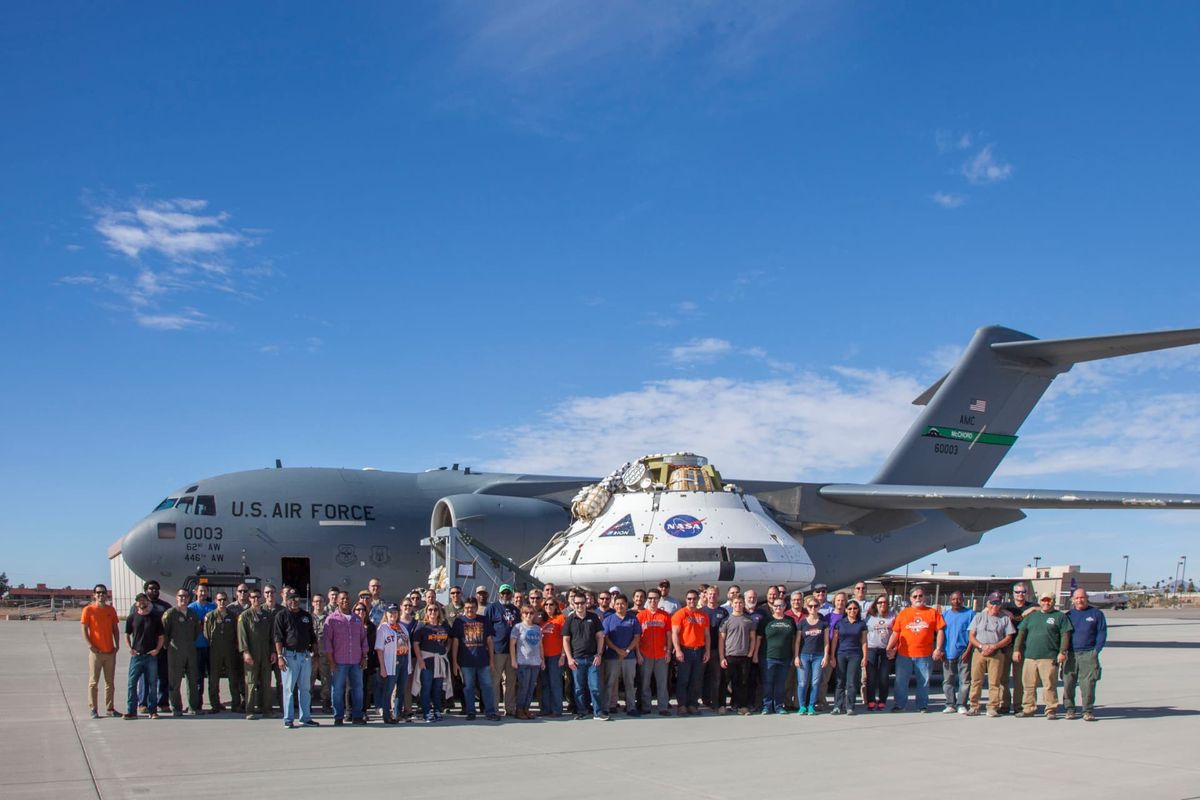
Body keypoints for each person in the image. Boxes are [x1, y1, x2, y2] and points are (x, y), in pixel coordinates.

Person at [1013, 590, 1072, 719]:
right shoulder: (1032, 616)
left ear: (1053, 601)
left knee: (1049, 685)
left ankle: (1050, 709)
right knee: (1028, 684)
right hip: (1030, 657)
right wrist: (1016, 649)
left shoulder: (1060, 617)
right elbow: (1021, 634)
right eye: (1044, 600)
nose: (1046, 603)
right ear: (1040, 602)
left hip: (1049, 657)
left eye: (1049, 600)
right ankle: (1029, 708)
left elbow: (1065, 635)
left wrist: (1062, 652)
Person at [886, 588, 945, 712]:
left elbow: (940, 631)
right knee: (900, 681)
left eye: (920, 595)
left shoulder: (932, 612)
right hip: (904, 654)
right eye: (915, 596)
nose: (918, 598)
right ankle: (900, 705)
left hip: (924, 655)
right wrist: (889, 648)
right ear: (910, 598)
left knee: (924, 682)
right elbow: (896, 633)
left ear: (925, 597)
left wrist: (938, 648)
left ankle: (922, 705)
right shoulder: (903, 613)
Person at [965, 592, 1016, 717]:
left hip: (996, 653)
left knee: (994, 682)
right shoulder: (979, 617)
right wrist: (982, 646)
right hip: (979, 651)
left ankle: (992, 707)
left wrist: (994, 646)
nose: (995, 606)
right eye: (993, 603)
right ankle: (974, 706)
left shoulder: (1004, 618)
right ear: (988, 603)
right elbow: (971, 635)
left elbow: (1009, 637)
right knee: (976, 680)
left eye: (997, 603)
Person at [273, 587, 318, 728]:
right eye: (291, 599)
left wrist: (315, 651)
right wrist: (280, 656)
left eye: (296, 599)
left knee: (305, 688)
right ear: (287, 600)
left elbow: (312, 635)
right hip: (289, 655)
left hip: (305, 655)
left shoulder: (306, 616)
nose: (294, 602)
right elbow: (278, 637)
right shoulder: (281, 615)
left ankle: (305, 718)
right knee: (288, 689)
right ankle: (288, 719)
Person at [323, 590, 368, 725]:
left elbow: (363, 640)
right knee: (337, 689)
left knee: (358, 689)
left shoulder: (356, 619)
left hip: (356, 661)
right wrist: (331, 662)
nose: (344, 601)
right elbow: (327, 642)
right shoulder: (331, 619)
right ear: (337, 601)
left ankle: (357, 716)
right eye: (342, 599)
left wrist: (364, 657)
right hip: (339, 661)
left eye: (347, 598)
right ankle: (338, 717)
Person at [451, 597, 498, 721]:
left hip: (483, 661)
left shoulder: (484, 620)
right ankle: (470, 711)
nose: (469, 610)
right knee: (468, 687)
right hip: (466, 662)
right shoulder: (458, 622)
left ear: (476, 608)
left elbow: (489, 641)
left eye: (472, 607)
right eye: (467, 608)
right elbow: (455, 643)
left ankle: (490, 711)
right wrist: (455, 662)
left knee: (487, 686)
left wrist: (492, 660)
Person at [1063, 588, 1107, 722]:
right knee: (1068, 682)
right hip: (1070, 654)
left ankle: (1087, 711)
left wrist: (1096, 650)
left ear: (1087, 598)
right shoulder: (1068, 615)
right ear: (1072, 600)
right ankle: (1070, 709)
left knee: (1088, 684)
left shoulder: (1096, 614)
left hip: (1088, 653)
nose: (1079, 600)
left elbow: (1102, 633)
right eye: (1077, 598)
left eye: (1082, 597)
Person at [562, 593, 606, 720]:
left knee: (595, 687)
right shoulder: (570, 619)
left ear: (586, 603)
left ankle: (598, 713)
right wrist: (569, 658)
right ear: (573, 604)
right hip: (577, 659)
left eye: (582, 602)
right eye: (577, 603)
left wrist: (599, 654)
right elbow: (565, 640)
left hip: (593, 659)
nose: (580, 605)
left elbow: (600, 637)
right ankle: (581, 711)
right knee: (578, 688)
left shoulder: (594, 617)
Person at [161, 588, 202, 716]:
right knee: (175, 680)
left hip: (190, 650)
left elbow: (196, 631)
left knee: (193, 680)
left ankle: (193, 707)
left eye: (185, 596)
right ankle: (176, 707)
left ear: (189, 598)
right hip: (175, 650)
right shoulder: (170, 613)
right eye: (180, 596)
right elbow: (164, 633)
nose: (183, 598)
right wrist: (168, 646)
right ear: (176, 597)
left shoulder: (192, 614)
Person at [82, 583, 121, 719]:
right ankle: (93, 709)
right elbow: (84, 630)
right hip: (96, 653)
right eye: (98, 593)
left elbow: (115, 629)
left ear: (106, 594)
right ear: (94, 595)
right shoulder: (88, 610)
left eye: (103, 593)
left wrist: (117, 645)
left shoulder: (111, 610)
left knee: (110, 682)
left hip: (110, 652)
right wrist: (90, 645)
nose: (100, 595)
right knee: (93, 682)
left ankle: (110, 708)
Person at [131, 579, 170, 713]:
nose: (154, 591)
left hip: (160, 647)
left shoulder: (165, 606)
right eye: (151, 589)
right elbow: (132, 626)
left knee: (162, 675)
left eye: (156, 589)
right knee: (144, 677)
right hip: (144, 648)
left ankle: (163, 702)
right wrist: (133, 646)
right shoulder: (137, 606)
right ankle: (143, 703)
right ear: (145, 590)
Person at [123, 593, 164, 719]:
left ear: (148, 602)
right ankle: (131, 711)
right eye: (139, 601)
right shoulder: (132, 618)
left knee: (152, 684)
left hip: (150, 656)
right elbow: (126, 635)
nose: (142, 602)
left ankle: (153, 711)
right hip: (137, 656)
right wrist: (130, 649)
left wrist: (157, 649)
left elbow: (161, 637)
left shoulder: (155, 618)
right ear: (136, 604)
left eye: (144, 600)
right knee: (132, 684)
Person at [1001, 581, 1039, 714]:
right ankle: (1004, 705)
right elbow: (989, 607)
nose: (1020, 594)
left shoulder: (1032, 606)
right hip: (1006, 646)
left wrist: (1033, 609)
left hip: (1022, 648)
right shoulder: (1007, 606)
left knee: (1019, 680)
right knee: (1003, 679)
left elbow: (1047, 608)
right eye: (1017, 592)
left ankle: (1018, 705)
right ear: (1013, 593)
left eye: (1023, 592)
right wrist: (1004, 611)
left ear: (1027, 593)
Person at [238, 588, 275, 720]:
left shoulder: (267, 615)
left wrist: (273, 652)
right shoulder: (245, 615)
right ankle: (249, 710)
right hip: (252, 654)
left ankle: (267, 709)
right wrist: (246, 652)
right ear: (249, 598)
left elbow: (272, 636)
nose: (256, 599)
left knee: (266, 682)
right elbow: (242, 636)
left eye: (258, 597)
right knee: (251, 682)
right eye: (253, 597)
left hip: (265, 653)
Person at [203, 591, 242, 714]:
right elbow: (206, 634)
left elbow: (237, 633)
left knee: (233, 678)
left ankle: (236, 704)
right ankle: (215, 705)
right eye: (219, 600)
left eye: (224, 599)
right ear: (215, 601)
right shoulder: (210, 616)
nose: (222, 602)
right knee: (214, 679)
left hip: (230, 650)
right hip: (215, 651)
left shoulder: (232, 615)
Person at [672, 590, 710, 716]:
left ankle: (693, 704)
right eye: (689, 599)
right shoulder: (680, 614)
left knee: (696, 680)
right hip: (685, 651)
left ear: (697, 599)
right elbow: (675, 634)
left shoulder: (703, 615)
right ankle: (682, 705)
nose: (691, 601)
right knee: (683, 679)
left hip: (699, 651)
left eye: (694, 598)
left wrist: (707, 651)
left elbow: (707, 635)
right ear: (686, 599)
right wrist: (678, 650)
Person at [602, 594, 641, 715]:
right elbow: (606, 637)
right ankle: (607, 707)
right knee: (610, 683)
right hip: (612, 656)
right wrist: (618, 650)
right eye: (617, 603)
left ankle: (631, 707)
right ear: (614, 605)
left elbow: (637, 637)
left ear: (626, 604)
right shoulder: (608, 619)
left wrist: (627, 651)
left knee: (629, 683)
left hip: (629, 657)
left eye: (622, 603)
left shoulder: (633, 619)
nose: (620, 606)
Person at [719, 596, 758, 715]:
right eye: (736, 603)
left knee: (742, 682)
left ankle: (741, 706)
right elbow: (721, 640)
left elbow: (753, 638)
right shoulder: (726, 620)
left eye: (740, 603)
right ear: (732, 604)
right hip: (729, 655)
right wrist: (722, 657)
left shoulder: (749, 620)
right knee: (725, 682)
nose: (738, 605)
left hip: (744, 656)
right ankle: (721, 705)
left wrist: (751, 652)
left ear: (744, 604)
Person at [637, 588, 673, 716]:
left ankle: (663, 707)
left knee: (662, 683)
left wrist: (669, 651)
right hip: (645, 655)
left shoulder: (665, 616)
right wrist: (638, 653)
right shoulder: (640, 616)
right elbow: (636, 637)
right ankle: (646, 706)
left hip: (661, 655)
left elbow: (669, 635)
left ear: (659, 599)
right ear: (648, 600)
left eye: (655, 598)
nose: (653, 601)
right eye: (650, 598)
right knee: (645, 683)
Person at [486, 584, 520, 717]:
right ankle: (494, 708)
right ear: (499, 594)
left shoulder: (515, 610)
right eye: (503, 593)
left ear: (511, 594)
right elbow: (487, 630)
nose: (506, 595)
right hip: (497, 650)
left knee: (511, 681)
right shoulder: (492, 608)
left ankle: (510, 708)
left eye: (508, 593)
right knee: (495, 681)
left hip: (512, 651)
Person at [413, 605, 452, 722]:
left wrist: (446, 651)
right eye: (430, 610)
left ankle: (437, 710)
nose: (433, 612)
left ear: (439, 612)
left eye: (435, 610)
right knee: (426, 687)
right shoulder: (421, 626)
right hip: (427, 661)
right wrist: (420, 660)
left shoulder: (444, 626)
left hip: (439, 661)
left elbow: (449, 639)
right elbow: (415, 643)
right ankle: (426, 712)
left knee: (438, 688)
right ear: (426, 612)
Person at [794, 595, 830, 715]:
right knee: (802, 682)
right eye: (810, 606)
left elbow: (826, 641)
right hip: (804, 655)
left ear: (819, 607)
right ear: (807, 607)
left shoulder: (823, 623)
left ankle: (811, 706)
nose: (813, 608)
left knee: (815, 682)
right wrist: (796, 656)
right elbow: (798, 641)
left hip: (818, 656)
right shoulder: (802, 623)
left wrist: (826, 656)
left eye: (815, 606)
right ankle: (802, 706)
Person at [375, 604, 410, 724]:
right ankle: (386, 715)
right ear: (386, 614)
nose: (393, 615)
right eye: (390, 612)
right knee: (388, 689)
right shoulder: (383, 628)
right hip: (391, 661)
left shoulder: (402, 627)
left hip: (404, 658)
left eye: (395, 612)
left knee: (401, 689)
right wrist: (382, 667)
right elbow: (379, 649)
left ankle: (397, 714)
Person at [759, 597, 795, 714]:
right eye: (776, 606)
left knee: (781, 683)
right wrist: (755, 655)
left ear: (785, 607)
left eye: (781, 605)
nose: (778, 608)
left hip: (785, 657)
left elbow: (794, 640)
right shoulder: (766, 621)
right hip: (768, 657)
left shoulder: (790, 621)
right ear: (772, 607)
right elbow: (758, 639)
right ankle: (767, 706)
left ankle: (779, 706)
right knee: (768, 683)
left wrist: (794, 655)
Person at [941, 591, 975, 714]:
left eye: (959, 599)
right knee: (948, 680)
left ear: (963, 600)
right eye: (954, 599)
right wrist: (940, 650)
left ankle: (961, 704)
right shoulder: (945, 615)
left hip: (964, 652)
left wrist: (968, 650)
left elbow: (973, 634)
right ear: (950, 600)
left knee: (965, 680)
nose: (956, 601)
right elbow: (941, 634)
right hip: (947, 652)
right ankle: (950, 704)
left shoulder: (970, 614)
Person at [831, 600, 867, 715]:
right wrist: (832, 656)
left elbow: (864, 642)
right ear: (846, 610)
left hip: (855, 655)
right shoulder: (840, 623)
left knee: (851, 682)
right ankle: (837, 706)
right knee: (840, 681)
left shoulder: (861, 624)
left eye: (855, 608)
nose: (852, 611)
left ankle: (850, 706)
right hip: (841, 654)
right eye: (850, 608)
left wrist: (865, 657)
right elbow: (835, 641)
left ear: (858, 610)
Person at [187, 583, 217, 711]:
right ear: (195, 592)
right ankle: (196, 703)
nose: (203, 593)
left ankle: (215, 703)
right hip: (197, 647)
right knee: (198, 677)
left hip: (211, 647)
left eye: (205, 591)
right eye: (201, 591)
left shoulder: (213, 607)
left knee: (213, 676)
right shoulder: (191, 608)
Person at [511, 605, 544, 719]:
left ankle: (526, 708)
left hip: (535, 662)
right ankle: (519, 709)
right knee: (523, 687)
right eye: (526, 613)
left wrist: (542, 660)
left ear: (534, 614)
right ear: (522, 614)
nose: (528, 615)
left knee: (531, 688)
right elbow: (512, 644)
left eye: (531, 613)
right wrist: (513, 659)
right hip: (523, 661)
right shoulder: (518, 627)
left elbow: (540, 645)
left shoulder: (537, 628)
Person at [864, 594, 896, 711]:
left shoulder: (892, 616)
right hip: (871, 649)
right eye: (880, 602)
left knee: (883, 677)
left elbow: (896, 634)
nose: (882, 604)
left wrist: (893, 649)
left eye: (885, 602)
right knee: (871, 677)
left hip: (886, 650)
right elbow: (863, 635)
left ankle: (882, 700)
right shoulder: (869, 618)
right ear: (875, 604)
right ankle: (871, 700)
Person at [701, 586, 730, 712]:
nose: (712, 596)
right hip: (701, 649)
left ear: (718, 595)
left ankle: (715, 702)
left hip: (717, 649)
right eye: (710, 594)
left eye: (714, 594)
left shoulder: (723, 612)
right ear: (706, 595)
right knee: (700, 676)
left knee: (716, 677)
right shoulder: (701, 611)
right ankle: (703, 700)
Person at [539, 598, 566, 716]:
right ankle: (546, 709)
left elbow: (566, 638)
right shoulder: (540, 620)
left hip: (556, 655)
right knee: (545, 684)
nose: (548, 607)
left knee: (555, 683)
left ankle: (557, 709)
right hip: (542, 656)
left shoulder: (561, 619)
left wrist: (563, 656)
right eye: (546, 605)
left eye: (551, 604)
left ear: (556, 606)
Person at [353, 602, 379, 719]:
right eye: (358, 610)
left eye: (363, 610)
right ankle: (351, 711)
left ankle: (363, 711)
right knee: (352, 687)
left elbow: (373, 645)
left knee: (365, 687)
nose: (361, 612)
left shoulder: (371, 626)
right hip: (352, 659)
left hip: (367, 660)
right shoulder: (350, 624)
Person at [310, 593, 331, 713]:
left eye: (320, 601)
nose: (318, 604)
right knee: (309, 680)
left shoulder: (329, 618)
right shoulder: (308, 618)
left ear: (324, 603)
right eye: (316, 601)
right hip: (312, 655)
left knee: (326, 680)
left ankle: (326, 704)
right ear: (313, 603)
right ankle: (308, 704)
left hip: (324, 655)